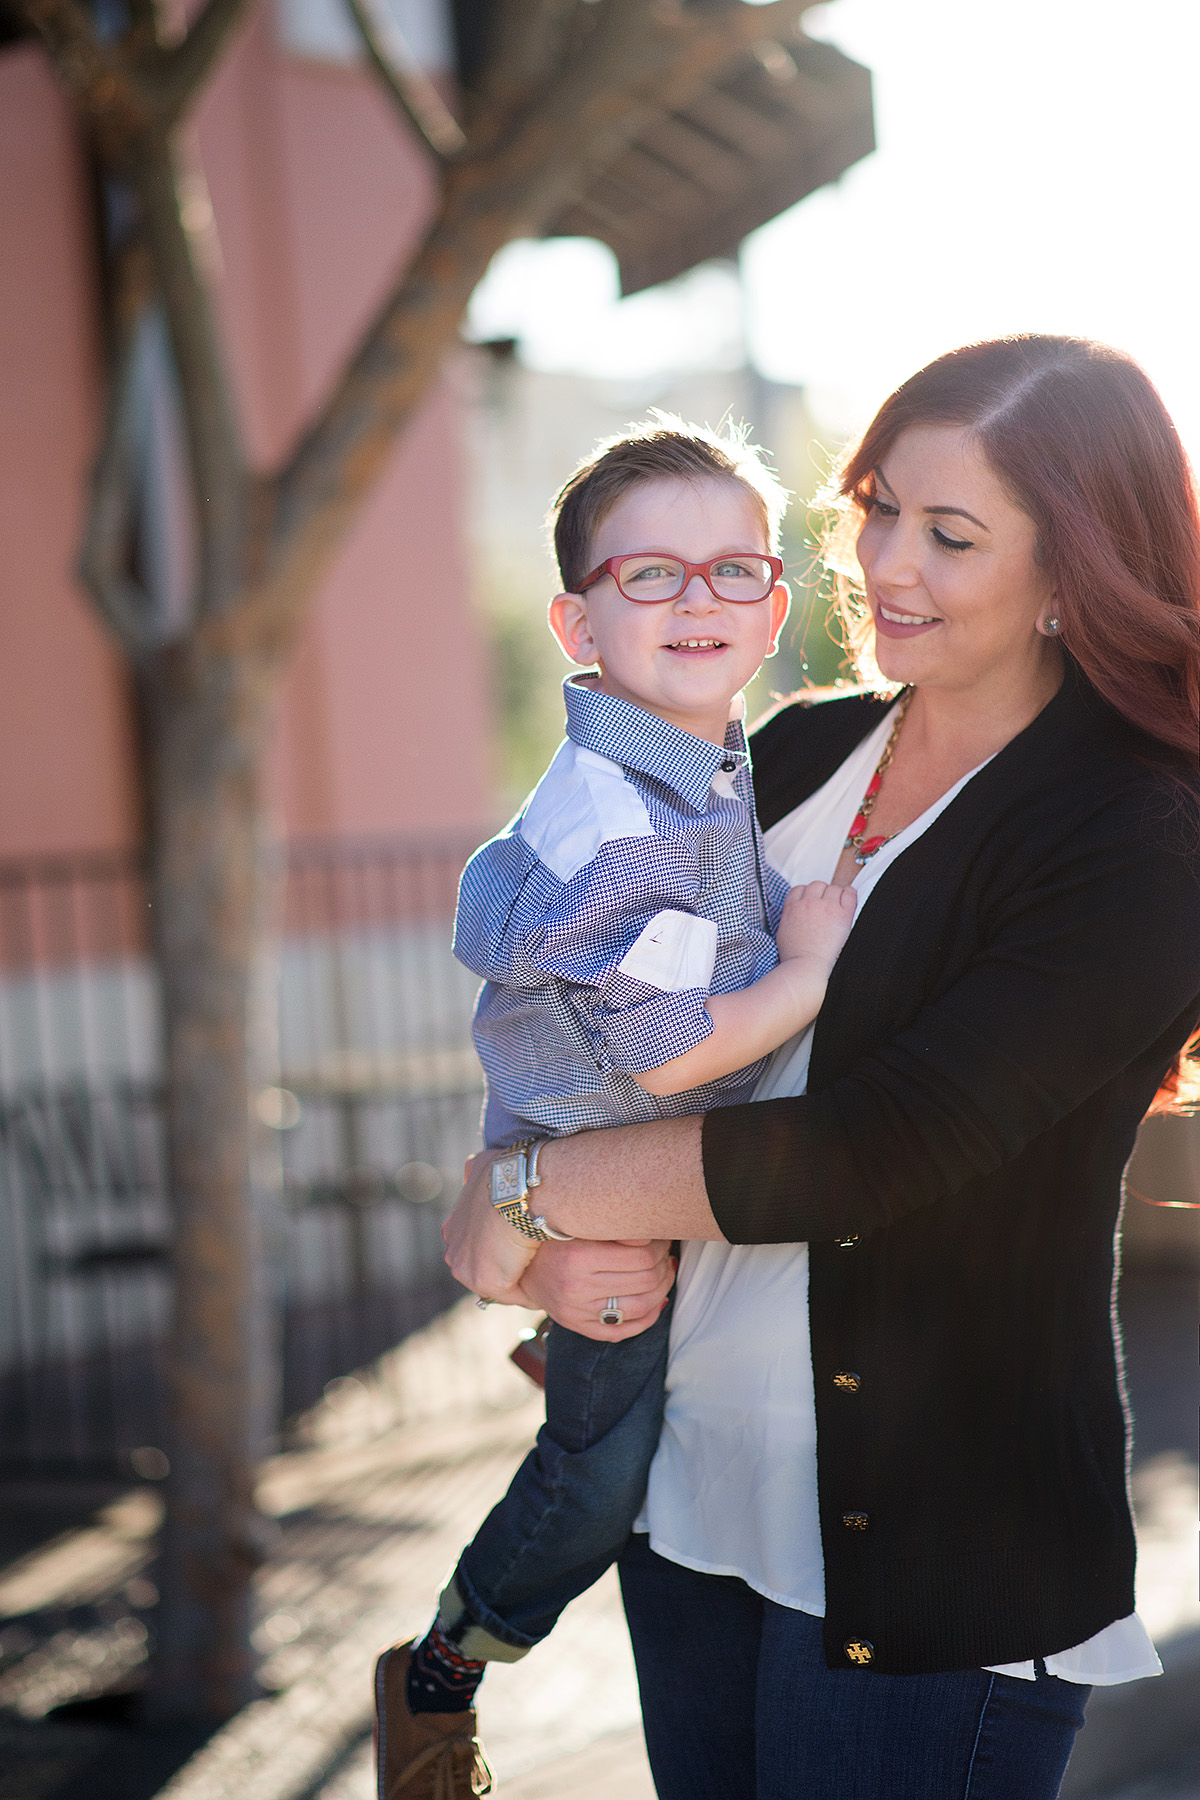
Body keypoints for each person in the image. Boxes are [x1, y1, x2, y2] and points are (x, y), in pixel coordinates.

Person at [444, 336, 1200, 1800]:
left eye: (951, 534)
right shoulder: (787, 754)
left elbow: (874, 1151)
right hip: (688, 1504)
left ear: (1073, 572)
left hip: (936, 1557)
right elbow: (589, 1019)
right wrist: (521, 1222)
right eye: (874, 506)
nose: (884, 563)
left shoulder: (1136, 833)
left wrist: (526, 1186)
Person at [374, 419, 861, 1800]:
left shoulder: (709, 761)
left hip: (650, 1168)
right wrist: (816, 967)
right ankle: (453, 1650)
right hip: (609, 1193)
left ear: (774, 606)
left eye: (730, 571)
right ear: (575, 618)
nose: (695, 599)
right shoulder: (614, 823)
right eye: (649, 575)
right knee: (602, 1471)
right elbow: (665, 1056)